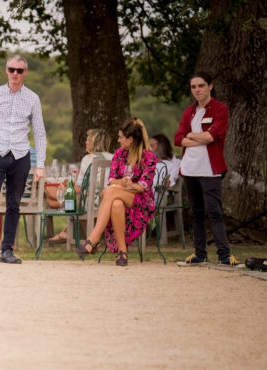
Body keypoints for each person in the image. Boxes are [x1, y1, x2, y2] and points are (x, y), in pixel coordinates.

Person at [0, 54, 47, 265]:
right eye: (12, 69)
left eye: (19, 71)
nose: (15, 74)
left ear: (25, 73)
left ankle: (7, 251)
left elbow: (39, 132)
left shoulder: (32, 98)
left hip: (20, 155)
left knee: (14, 204)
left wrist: (40, 164)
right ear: (6, 70)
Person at [174, 71, 244, 267]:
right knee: (196, 212)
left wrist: (191, 136)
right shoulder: (189, 112)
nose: (197, 90)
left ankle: (224, 255)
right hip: (189, 169)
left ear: (210, 86)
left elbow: (212, 137)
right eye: (194, 87)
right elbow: (178, 138)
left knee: (214, 212)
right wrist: (198, 136)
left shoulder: (220, 109)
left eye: (201, 86)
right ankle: (200, 254)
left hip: (209, 170)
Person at [74, 118, 157, 266]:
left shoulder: (149, 157)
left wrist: (128, 184)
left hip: (141, 201)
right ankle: (122, 253)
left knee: (110, 192)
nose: (118, 140)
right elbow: (112, 179)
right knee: (116, 204)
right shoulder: (119, 154)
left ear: (130, 139)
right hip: (119, 196)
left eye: (120, 137)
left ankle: (93, 239)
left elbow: (143, 187)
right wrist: (120, 183)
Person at [46, 129, 113, 245]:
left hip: (92, 202)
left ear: (94, 142)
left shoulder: (88, 159)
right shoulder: (114, 158)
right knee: (75, 198)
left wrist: (67, 189)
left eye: (88, 140)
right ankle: (68, 231)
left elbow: (78, 189)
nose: (86, 142)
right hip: (109, 199)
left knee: (63, 198)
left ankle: (89, 238)